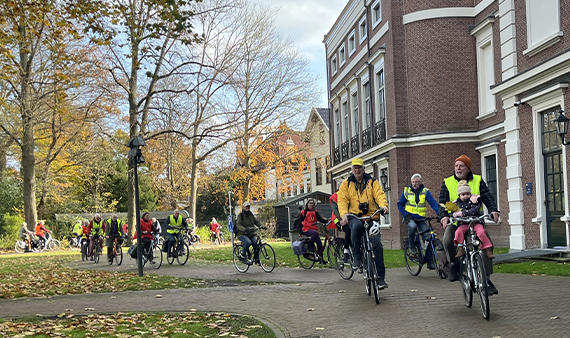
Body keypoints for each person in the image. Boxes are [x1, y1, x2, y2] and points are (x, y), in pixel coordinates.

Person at [438, 154, 500, 295]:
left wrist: (493, 210)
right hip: (456, 220)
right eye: (456, 166)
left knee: (486, 242)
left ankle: (486, 279)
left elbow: (487, 197)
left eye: (461, 166)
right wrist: (444, 217)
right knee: (447, 240)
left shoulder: (477, 180)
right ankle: (454, 264)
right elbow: (442, 203)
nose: (458, 168)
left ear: (467, 168)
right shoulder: (447, 182)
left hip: (475, 219)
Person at [338, 158, 389, 290]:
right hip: (355, 216)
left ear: (363, 169)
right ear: (352, 169)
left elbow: (379, 194)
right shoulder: (346, 184)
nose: (357, 170)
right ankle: (356, 257)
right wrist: (344, 214)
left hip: (371, 216)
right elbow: (342, 200)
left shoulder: (372, 182)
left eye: (359, 168)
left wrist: (383, 206)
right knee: (356, 227)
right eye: (355, 168)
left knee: (377, 244)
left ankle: (381, 279)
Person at [397, 173, 440, 269]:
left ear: (420, 182)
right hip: (410, 217)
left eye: (416, 182)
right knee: (412, 227)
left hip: (421, 218)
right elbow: (400, 204)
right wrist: (405, 215)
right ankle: (411, 247)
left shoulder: (425, 191)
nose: (414, 184)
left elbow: (433, 203)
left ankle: (430, 261)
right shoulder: (406, 191)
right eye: (413, 182)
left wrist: (440, 213)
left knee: (426, 238)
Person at [452, 180, 494, 259]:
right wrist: (453, 215)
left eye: (467, 194)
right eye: (463, 194)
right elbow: (453, 212)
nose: (466, 196)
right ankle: (460, 248)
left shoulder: (474, 200)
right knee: (458, 232)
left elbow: (475, 210)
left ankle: (487, 248)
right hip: (464, 223)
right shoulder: (457, 203)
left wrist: (462, 213)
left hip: (475, 222)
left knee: (481, 232)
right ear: (459, 195)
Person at [299, 198, 329, 264]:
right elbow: (300, 222)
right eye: (310, 203)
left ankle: (321, 259)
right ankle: (310, 245)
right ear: (307, 204)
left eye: (312, 203)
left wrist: (327, 221)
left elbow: (320, 219)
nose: (311, 205)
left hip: (314, 230)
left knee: (320, 244)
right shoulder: (304, 212)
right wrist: (301, 232)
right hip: (306, 229)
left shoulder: (315, 212)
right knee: (315, 233)